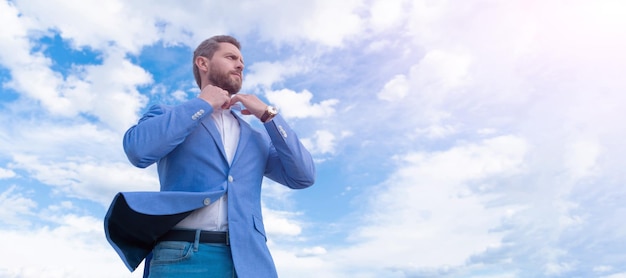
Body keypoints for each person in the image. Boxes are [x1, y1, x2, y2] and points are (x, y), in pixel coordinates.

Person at [104, 35, 316, 277]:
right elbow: (137, 151)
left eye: (242, 61)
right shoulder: (168, 114)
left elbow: (303, 177)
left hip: (251, 262)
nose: (240, 65)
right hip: (182, 257)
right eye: (231, 57)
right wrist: (203, 104)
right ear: (202, 63)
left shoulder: (256, 136)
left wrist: (269, 116)